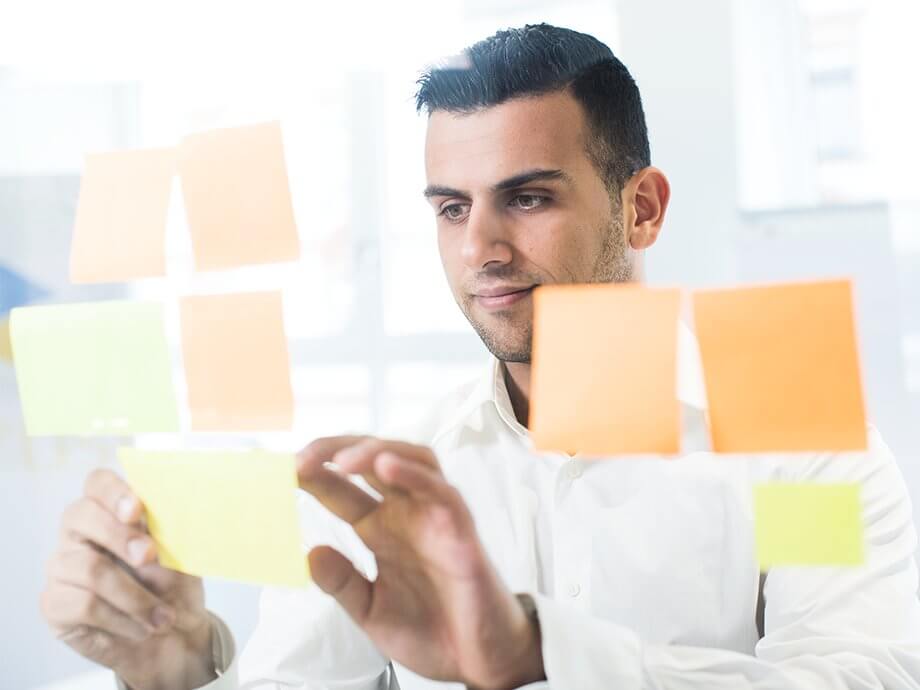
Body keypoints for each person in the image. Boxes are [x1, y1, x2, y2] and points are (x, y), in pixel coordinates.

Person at [40, 23, 920, 690]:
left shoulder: (799, 449)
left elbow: (854, 677)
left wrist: (540, 651)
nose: (480, 250)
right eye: (451, 208)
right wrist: (176, 668)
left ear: (642, 209)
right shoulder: (385, 482)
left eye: (527, 198)